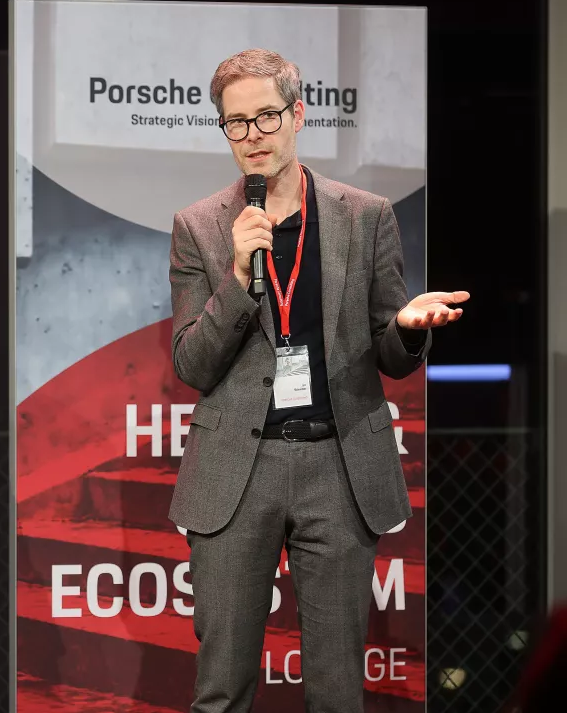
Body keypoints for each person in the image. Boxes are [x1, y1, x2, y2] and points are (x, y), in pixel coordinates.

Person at [167, 47, 467, 713]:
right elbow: (192, 362)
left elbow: (389, 352)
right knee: (221, 688)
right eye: (236, 123)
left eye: (266, 117)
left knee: (336, 690)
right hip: (237, 472)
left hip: (337, 461)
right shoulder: (200, 227)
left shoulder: (365, 215)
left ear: (298, 114)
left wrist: (410, 326)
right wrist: (239, 276)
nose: (252, 137)